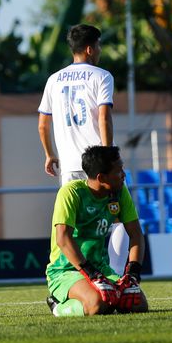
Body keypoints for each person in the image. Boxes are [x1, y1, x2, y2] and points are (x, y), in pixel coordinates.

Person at [37, 24, 129, 275]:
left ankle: (76, 278)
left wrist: (49, 153)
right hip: (98, 166)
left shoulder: (53, 79)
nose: (99, 51)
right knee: (121, 221)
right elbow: (103, 118)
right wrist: (108, 156)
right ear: (90, 49)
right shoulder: (101, 76)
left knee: (70, 226)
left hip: (68, 168)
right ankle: (117, 276)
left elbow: (43, 124)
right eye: (98, 46)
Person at [45, 145, 148, 317]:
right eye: (118, 171)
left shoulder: (120, 192)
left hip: (101, 269)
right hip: (66, 270)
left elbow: (136, 234)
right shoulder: (71, 193)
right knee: (98, 305)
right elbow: (63, 239)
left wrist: (132, 274)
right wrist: (91, 275)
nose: (123, 175)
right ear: (101, 177)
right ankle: (57, 306)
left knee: (137, 304)